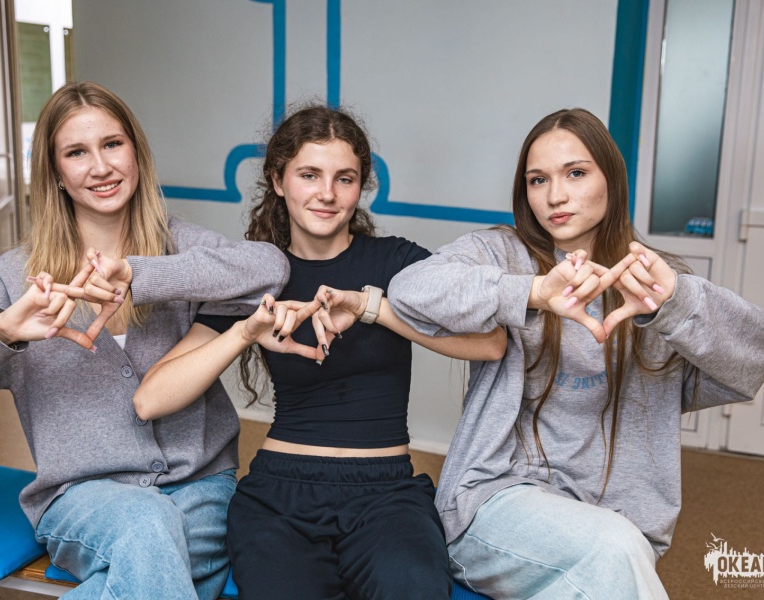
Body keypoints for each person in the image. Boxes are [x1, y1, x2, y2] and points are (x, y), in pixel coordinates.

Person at [0, 81, 290, 600]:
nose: (101, 166)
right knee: (149, 526)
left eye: (112, 144)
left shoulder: (180, 247)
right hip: (81, 498)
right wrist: (1, 333)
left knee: (153, 558)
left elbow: (269, 267)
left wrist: (139, 275)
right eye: (77, 152)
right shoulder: (15, 279)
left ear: (136, 152)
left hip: (201, 489)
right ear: (56, 173)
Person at [386, 107, 764, 599]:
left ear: (611, 180)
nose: (555, 196)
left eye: (575, 173)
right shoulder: (502, 254)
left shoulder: (651, 281)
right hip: (492, 505)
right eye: (538, 180)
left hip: (615, 520)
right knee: (613, 551)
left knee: (608, 560)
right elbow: (410, 289)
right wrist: (533, 292)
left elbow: (758, 356)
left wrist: (676, 304)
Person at [133, 105, 507, 600]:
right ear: (278, 180)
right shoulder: (259, 276)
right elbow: (150, 400)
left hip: (387, 493)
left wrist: (373, 307)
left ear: (360, 187)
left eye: (344, 178)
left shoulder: (396, 262)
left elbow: (490, 342)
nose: (327, 193)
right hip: (279, 496)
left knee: (415, 587)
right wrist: (245, 332)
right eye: (309, 174)